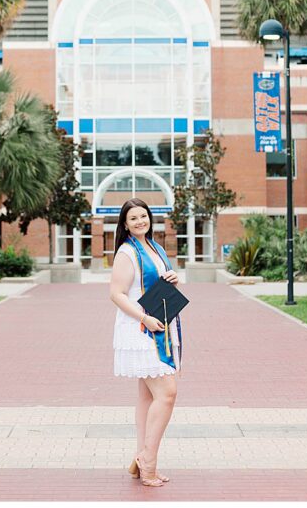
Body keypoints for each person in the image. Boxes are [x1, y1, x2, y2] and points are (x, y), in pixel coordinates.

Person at [108, 197, 183, 487]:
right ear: (125, 225)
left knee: (148, 397)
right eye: (133, 218)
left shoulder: (155, 248)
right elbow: (116, 293)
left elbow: (155, 285)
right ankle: (148, 461)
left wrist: (174, 279)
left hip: (159, 325)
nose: (140, 221)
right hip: (141, 329)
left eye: (143, 216)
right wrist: (144, 318)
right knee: (167, 393)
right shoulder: (127, 252)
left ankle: (143, 457)